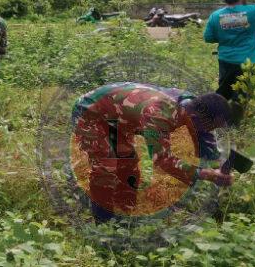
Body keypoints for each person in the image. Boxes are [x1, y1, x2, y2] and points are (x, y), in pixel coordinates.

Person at [72, 83, 234, 222]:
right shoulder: (158, 114)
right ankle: (104, 228)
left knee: (127, 166)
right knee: (106, 168)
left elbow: (206, 143)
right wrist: (205, 174)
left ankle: (123, 219)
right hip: (92, 112)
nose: (209, 131)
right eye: (210, 127)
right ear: (195, 118)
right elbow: (162, 160)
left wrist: (218, 167)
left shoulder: (195, 107)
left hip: (117, 116)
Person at [204, 0, 255, 101]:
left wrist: (227, 36)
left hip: (226, 60)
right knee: (242, 98)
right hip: (248, 63)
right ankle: (236, 118)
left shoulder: (215, 16)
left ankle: (218, 116)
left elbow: (209, 38)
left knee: (224, 95)